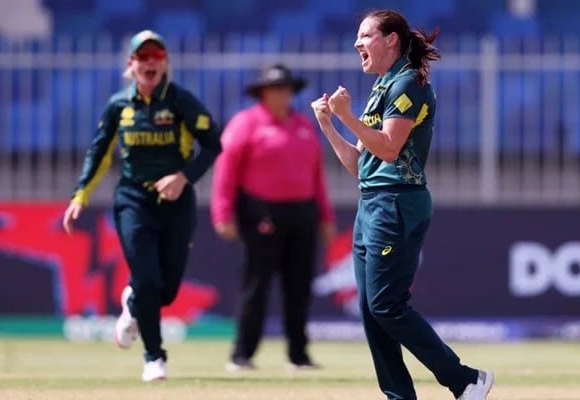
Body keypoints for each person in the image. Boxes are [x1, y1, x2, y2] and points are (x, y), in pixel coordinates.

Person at [310, 9, 494, 400]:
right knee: (372, 311)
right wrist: (329, 124)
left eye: (365, 35)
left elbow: (390, 150)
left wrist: (347, 117)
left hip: (397, 203)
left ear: (391, 39)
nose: (357, 43)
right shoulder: (382, 87)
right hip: (372, 202)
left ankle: (465, 380)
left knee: (386, 305)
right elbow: (360, 166)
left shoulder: (407, 82)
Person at [62, 30, 222, 382]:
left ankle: (133, 303)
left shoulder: (181, 101)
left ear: (164, 63)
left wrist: (183, 177)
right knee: (148, 279)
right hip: (133, 200)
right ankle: (154, 357)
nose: (150, 63)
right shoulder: (119, 105)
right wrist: (80, 196)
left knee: (165, 292)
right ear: (131, 65)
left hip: (177, 203)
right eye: (143, 57)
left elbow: (213, 144)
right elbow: (99, 152)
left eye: (156, 56)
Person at [211, 64, 336, 371]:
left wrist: (325, 215)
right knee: (256, 285)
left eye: (286, 88)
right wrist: (223, 213)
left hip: (303, 213)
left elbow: (316, 175)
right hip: (261, 214)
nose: (281, 94)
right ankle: (242, 354)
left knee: (300, 286)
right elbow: (226, 171)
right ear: (263, 92)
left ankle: (298, 354)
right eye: (275, 88)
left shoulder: (304, 125)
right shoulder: (246, 124)